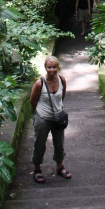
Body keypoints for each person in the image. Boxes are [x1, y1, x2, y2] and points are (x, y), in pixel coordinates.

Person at [29, 55, 72, 183]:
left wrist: (58, 109)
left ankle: (60, 167)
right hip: (43, 118)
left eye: (54, 67)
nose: (52, 70)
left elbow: (62, 96)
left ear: (58, 68)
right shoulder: (40, 83)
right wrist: (41, 112)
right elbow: (32, 101)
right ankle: (37, 169)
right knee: (39, 144)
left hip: (58, 118)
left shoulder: (62, 80)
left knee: (59, 143)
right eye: (49, 67)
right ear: (45, 68)